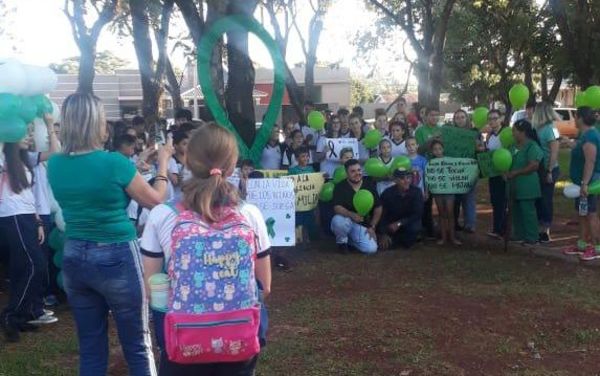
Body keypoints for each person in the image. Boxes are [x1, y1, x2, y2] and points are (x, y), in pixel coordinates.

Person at [48, 93, 173, 375]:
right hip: (116, 254)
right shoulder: (114, 163)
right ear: (96, 124)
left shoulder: (55, 164)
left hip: (74, 255)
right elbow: (156, 200)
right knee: (138, 345)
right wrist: (163, 164)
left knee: (90, 347)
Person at [140, 123, 272, 375]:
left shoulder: (162, 216)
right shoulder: (250, 215)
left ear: (187, 161)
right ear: (232, 165)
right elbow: (264, 286)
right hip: (239, 336)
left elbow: (152, 289)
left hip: (183, 339)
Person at [0, 134, 50, 342]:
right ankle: (11, 315)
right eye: (25, 131)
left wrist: (37, 221)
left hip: (28, 216)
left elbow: (29, 194)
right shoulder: (3, 157)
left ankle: (20, 317)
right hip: (12, 216)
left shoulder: (24, 160)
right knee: (34, 265)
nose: (30, 136)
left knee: (24, 268)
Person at [563, 107, 600, 261]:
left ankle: (597, 247)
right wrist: (569, 143)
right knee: (582, 213)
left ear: (581, 118)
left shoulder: (590, 136)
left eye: (576, 116)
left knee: (591, 214)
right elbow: (579, 148)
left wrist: (585, 184)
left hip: (589, 183)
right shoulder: (585, 135)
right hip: (581, 184)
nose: (574, 119)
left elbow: (590, 162)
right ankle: (582, 244)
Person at [505, 120, 544, 245]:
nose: (512, 134)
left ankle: (532, 237)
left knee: (528, 211)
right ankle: (519, 234)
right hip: (513, 184)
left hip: (527, 185)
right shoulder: (512, 146)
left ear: (523, 132)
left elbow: (533, 165)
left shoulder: (532, 146)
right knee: (515, 210)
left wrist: (516, 172)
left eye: (514, 131)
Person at [331, 159, 381, 254]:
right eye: (353, 171)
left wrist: (372, 226)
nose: (357, 173)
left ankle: (349, 241)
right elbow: (337, 207)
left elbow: (378, 207)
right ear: (346, 173)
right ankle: (342, 242)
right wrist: (351, 214)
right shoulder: (340, 187)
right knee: (338, 221)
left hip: (363, 224)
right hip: (346, 220)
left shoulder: (369, 185)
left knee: (371, 249)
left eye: (359, 170)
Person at [532, 102, 560, 242]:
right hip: (539, 169)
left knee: (545, 200)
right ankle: (539, 227)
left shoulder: (550, 129)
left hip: (549, 169)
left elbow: (554, 151)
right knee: (539, 198)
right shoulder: (536, 128)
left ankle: (546, 230)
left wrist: (549, 171)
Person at [378, 168, 424, 250]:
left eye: (408, 178)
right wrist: (383, 233)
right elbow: (382, 215)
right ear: (395, 180)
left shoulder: (417, 192)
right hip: (391, 225)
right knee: (387, 244)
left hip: (408, 223)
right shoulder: (387, 193)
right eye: (402, 179)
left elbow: (418, 213)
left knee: (414, 230)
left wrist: (399, 223)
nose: (407, 181)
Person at [429, 140, 461, 245]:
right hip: (438, 191)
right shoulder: (431, 163)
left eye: (439, 149)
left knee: (450, 214)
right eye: (435, 149)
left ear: (443, 149)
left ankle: (452, 237)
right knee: (442, 214)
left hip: (449, 191)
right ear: (432, 152)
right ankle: (443, 238)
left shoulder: (449, 161)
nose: (437, 151)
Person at [452, 109, 479, 233]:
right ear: (454, 120)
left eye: (462, 117)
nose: (460, 119)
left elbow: (480, 149)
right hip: (455, 170)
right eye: (457, 117)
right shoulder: (450, 134)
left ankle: (470, 224)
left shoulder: (474, 133)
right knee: (455, 198)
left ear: (467, 118)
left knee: (469, 198)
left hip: (470, 169)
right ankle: (454, 223)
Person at [485, 109, 507, 239]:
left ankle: (502, 229)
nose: (493, 121)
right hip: (493, 173)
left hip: (504, 173)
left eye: (495, 118)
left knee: (502, 201)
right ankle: (497, 228)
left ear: (501, 119)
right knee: (495, 201)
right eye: (490, 119)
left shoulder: (506, 134)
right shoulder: (489, 136)